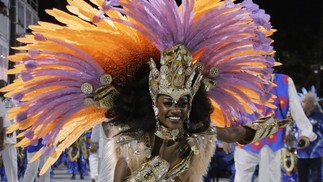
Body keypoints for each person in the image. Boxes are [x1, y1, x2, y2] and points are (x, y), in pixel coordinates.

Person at [0, 0, 289, 180]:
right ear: (154, 102)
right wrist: (153, 171)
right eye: (168, 101)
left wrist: (270, 126)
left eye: (183, 102)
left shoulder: (199, 135)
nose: (176, 108)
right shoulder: (132, 142)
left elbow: (234, 133)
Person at [231, 73, 317, 182]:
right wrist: (226, 131)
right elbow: (232, 107)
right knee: (242, 178)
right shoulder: (243, 78)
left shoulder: (285, 82)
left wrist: (305, 133)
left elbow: (297, 110)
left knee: (270, 179)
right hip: (246, 139)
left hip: (273, 141)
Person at [296, 92, 323, 182]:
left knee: (316, 180)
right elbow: (295, 131)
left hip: (315, 155)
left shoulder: (320, 117)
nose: (301, 103)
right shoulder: (299, 117)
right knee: (302, 179)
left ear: (311, 103)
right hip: (301, 155)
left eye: (303, 101)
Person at [0, 80, 18, 182]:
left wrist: (12, 128)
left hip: (8, 137)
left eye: (4, 87)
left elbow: (16, 118)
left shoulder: (11, 100)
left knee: (11, 164)